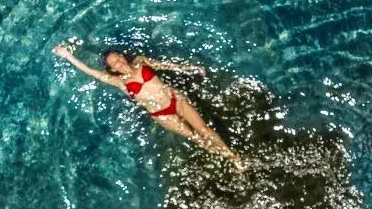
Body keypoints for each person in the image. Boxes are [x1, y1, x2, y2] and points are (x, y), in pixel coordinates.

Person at [53, 45, 244, 169]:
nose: (118, 63)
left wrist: (189, 69)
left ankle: (233, 157)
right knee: (196, 138)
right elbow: (92, 73)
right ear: (111, 69)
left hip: (176, 100)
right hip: (162, 115)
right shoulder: (119, 82)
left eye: (118, 58)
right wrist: (68, 56)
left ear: (122, 56)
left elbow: (164, 66)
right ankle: (226, 159)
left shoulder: (140, 61)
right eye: (113, 64)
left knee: (204, 129)